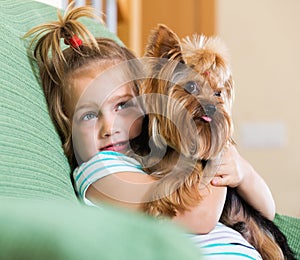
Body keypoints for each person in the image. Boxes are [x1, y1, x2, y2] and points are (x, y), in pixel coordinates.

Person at [25, 4, 274, 259]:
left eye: (122, 105)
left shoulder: (158, 158)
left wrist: (243, 173)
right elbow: (199, 216)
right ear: (68, 127)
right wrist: (215, 150)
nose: (109, 128)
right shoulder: (100, 172)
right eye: (88, 115)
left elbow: (268, 211)